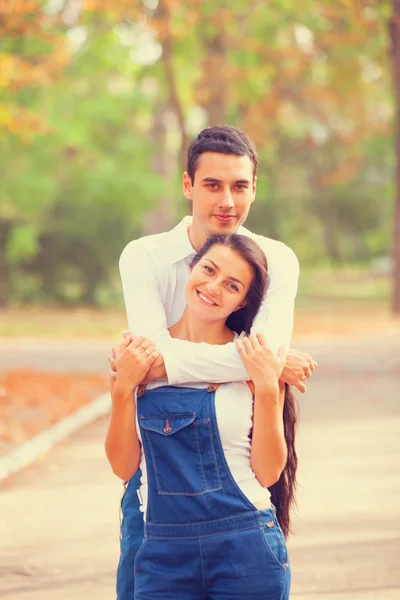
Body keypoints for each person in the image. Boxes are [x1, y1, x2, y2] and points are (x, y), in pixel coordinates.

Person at [109, 126, 316, 598]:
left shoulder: (275, 259)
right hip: (156, 488)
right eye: (212, 185)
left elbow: (157, 361)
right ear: (187, 185)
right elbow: (150, 353)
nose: (227, 200)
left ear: (254, 189)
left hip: (239, 461)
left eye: (240, 186)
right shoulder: (145, 256)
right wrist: (260, 364)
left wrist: (268, 365)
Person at [106, 233, 297, 599]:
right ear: (192, 267)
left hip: (245, 548)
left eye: (232, 285)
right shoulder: (141, 360)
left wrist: (269, 386)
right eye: (208, 269)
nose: (213, 287)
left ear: (243, 301)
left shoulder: (255, 362)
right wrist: (121, 389)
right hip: (162, 554)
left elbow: (269, 472)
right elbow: (124, 466)